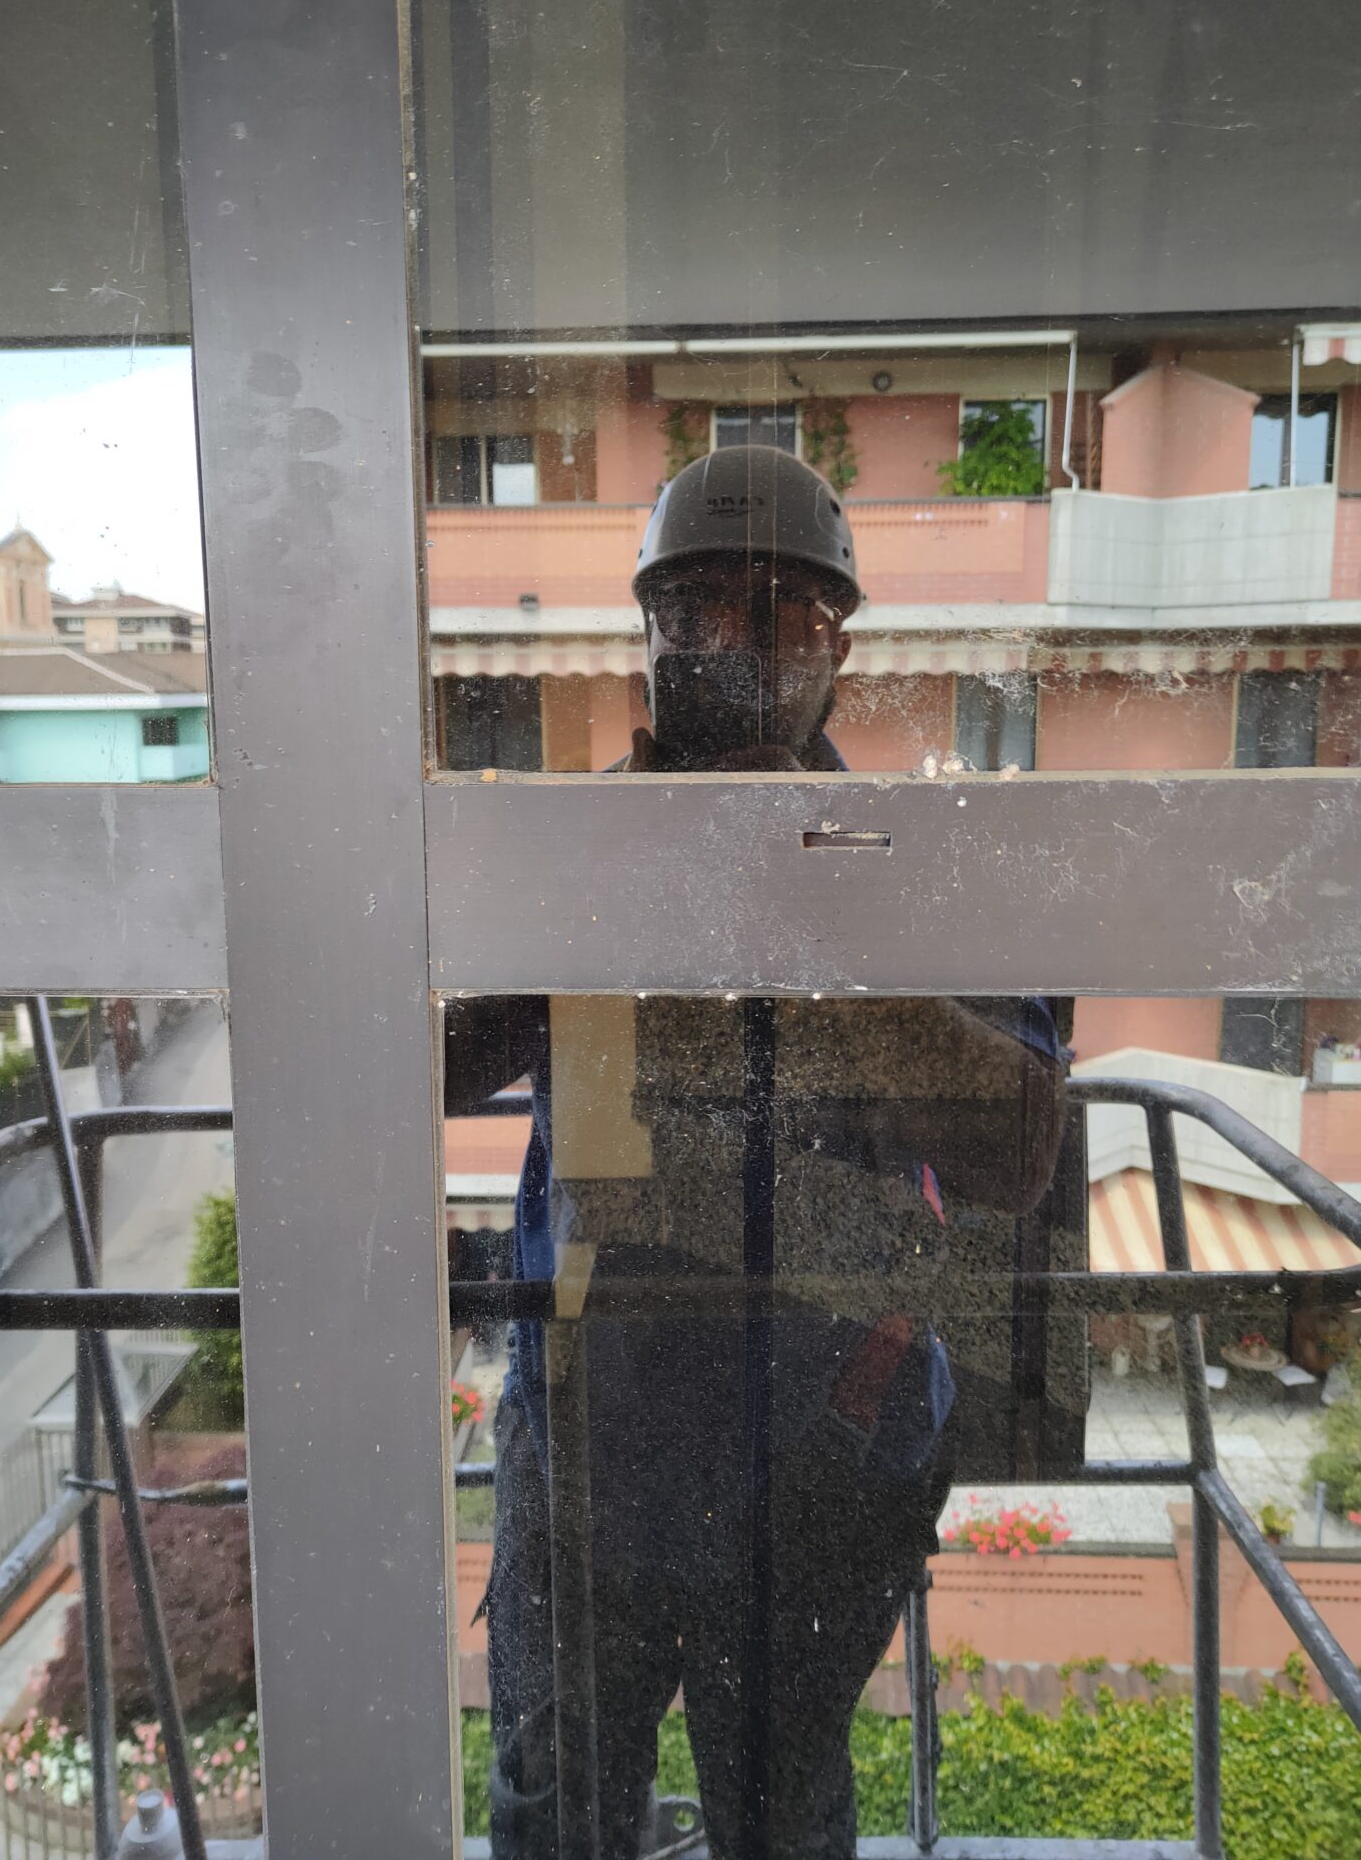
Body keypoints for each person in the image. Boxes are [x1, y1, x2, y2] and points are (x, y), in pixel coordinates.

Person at [445, 447, 1066, 1860]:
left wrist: (803, 922)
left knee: (777, 1811)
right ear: (651, 633)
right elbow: (427, 1061)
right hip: (591, 1421)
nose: (737, 641)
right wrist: (591, 891)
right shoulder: (585, 851)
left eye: (783, 610)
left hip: (824, 1428)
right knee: (557, 1806)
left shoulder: (907, 861)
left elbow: (1021, 1145)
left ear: (838, 646)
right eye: (700, 606)